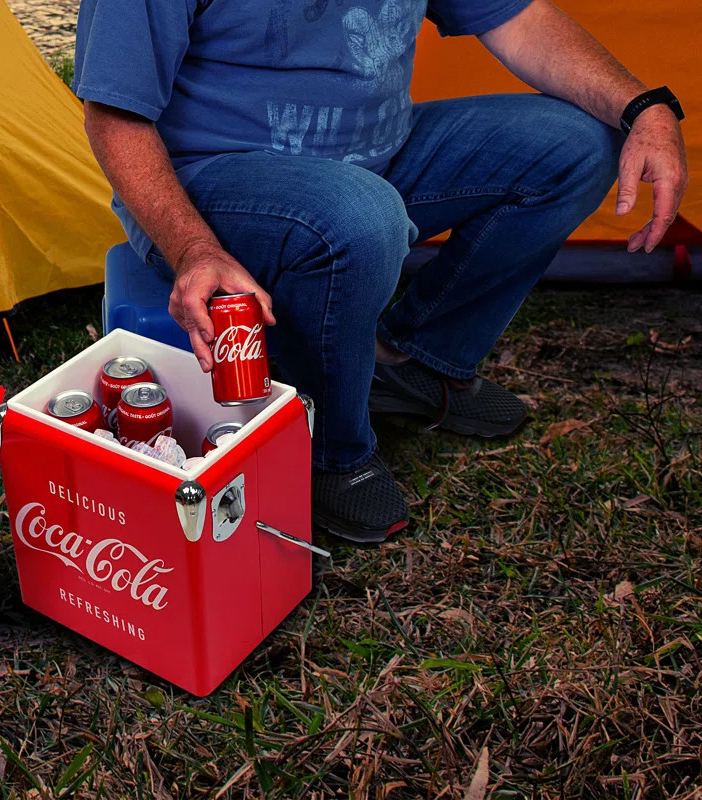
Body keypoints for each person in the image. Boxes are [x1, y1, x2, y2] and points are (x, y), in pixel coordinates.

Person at [74, 0, 688, 544]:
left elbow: (519, 20)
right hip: (210, 180)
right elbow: (113, 115)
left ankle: (415, 365)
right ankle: (331, 451)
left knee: (580, 143)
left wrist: (646, 107)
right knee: (364, 216)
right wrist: (191, 248)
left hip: (378, 157)